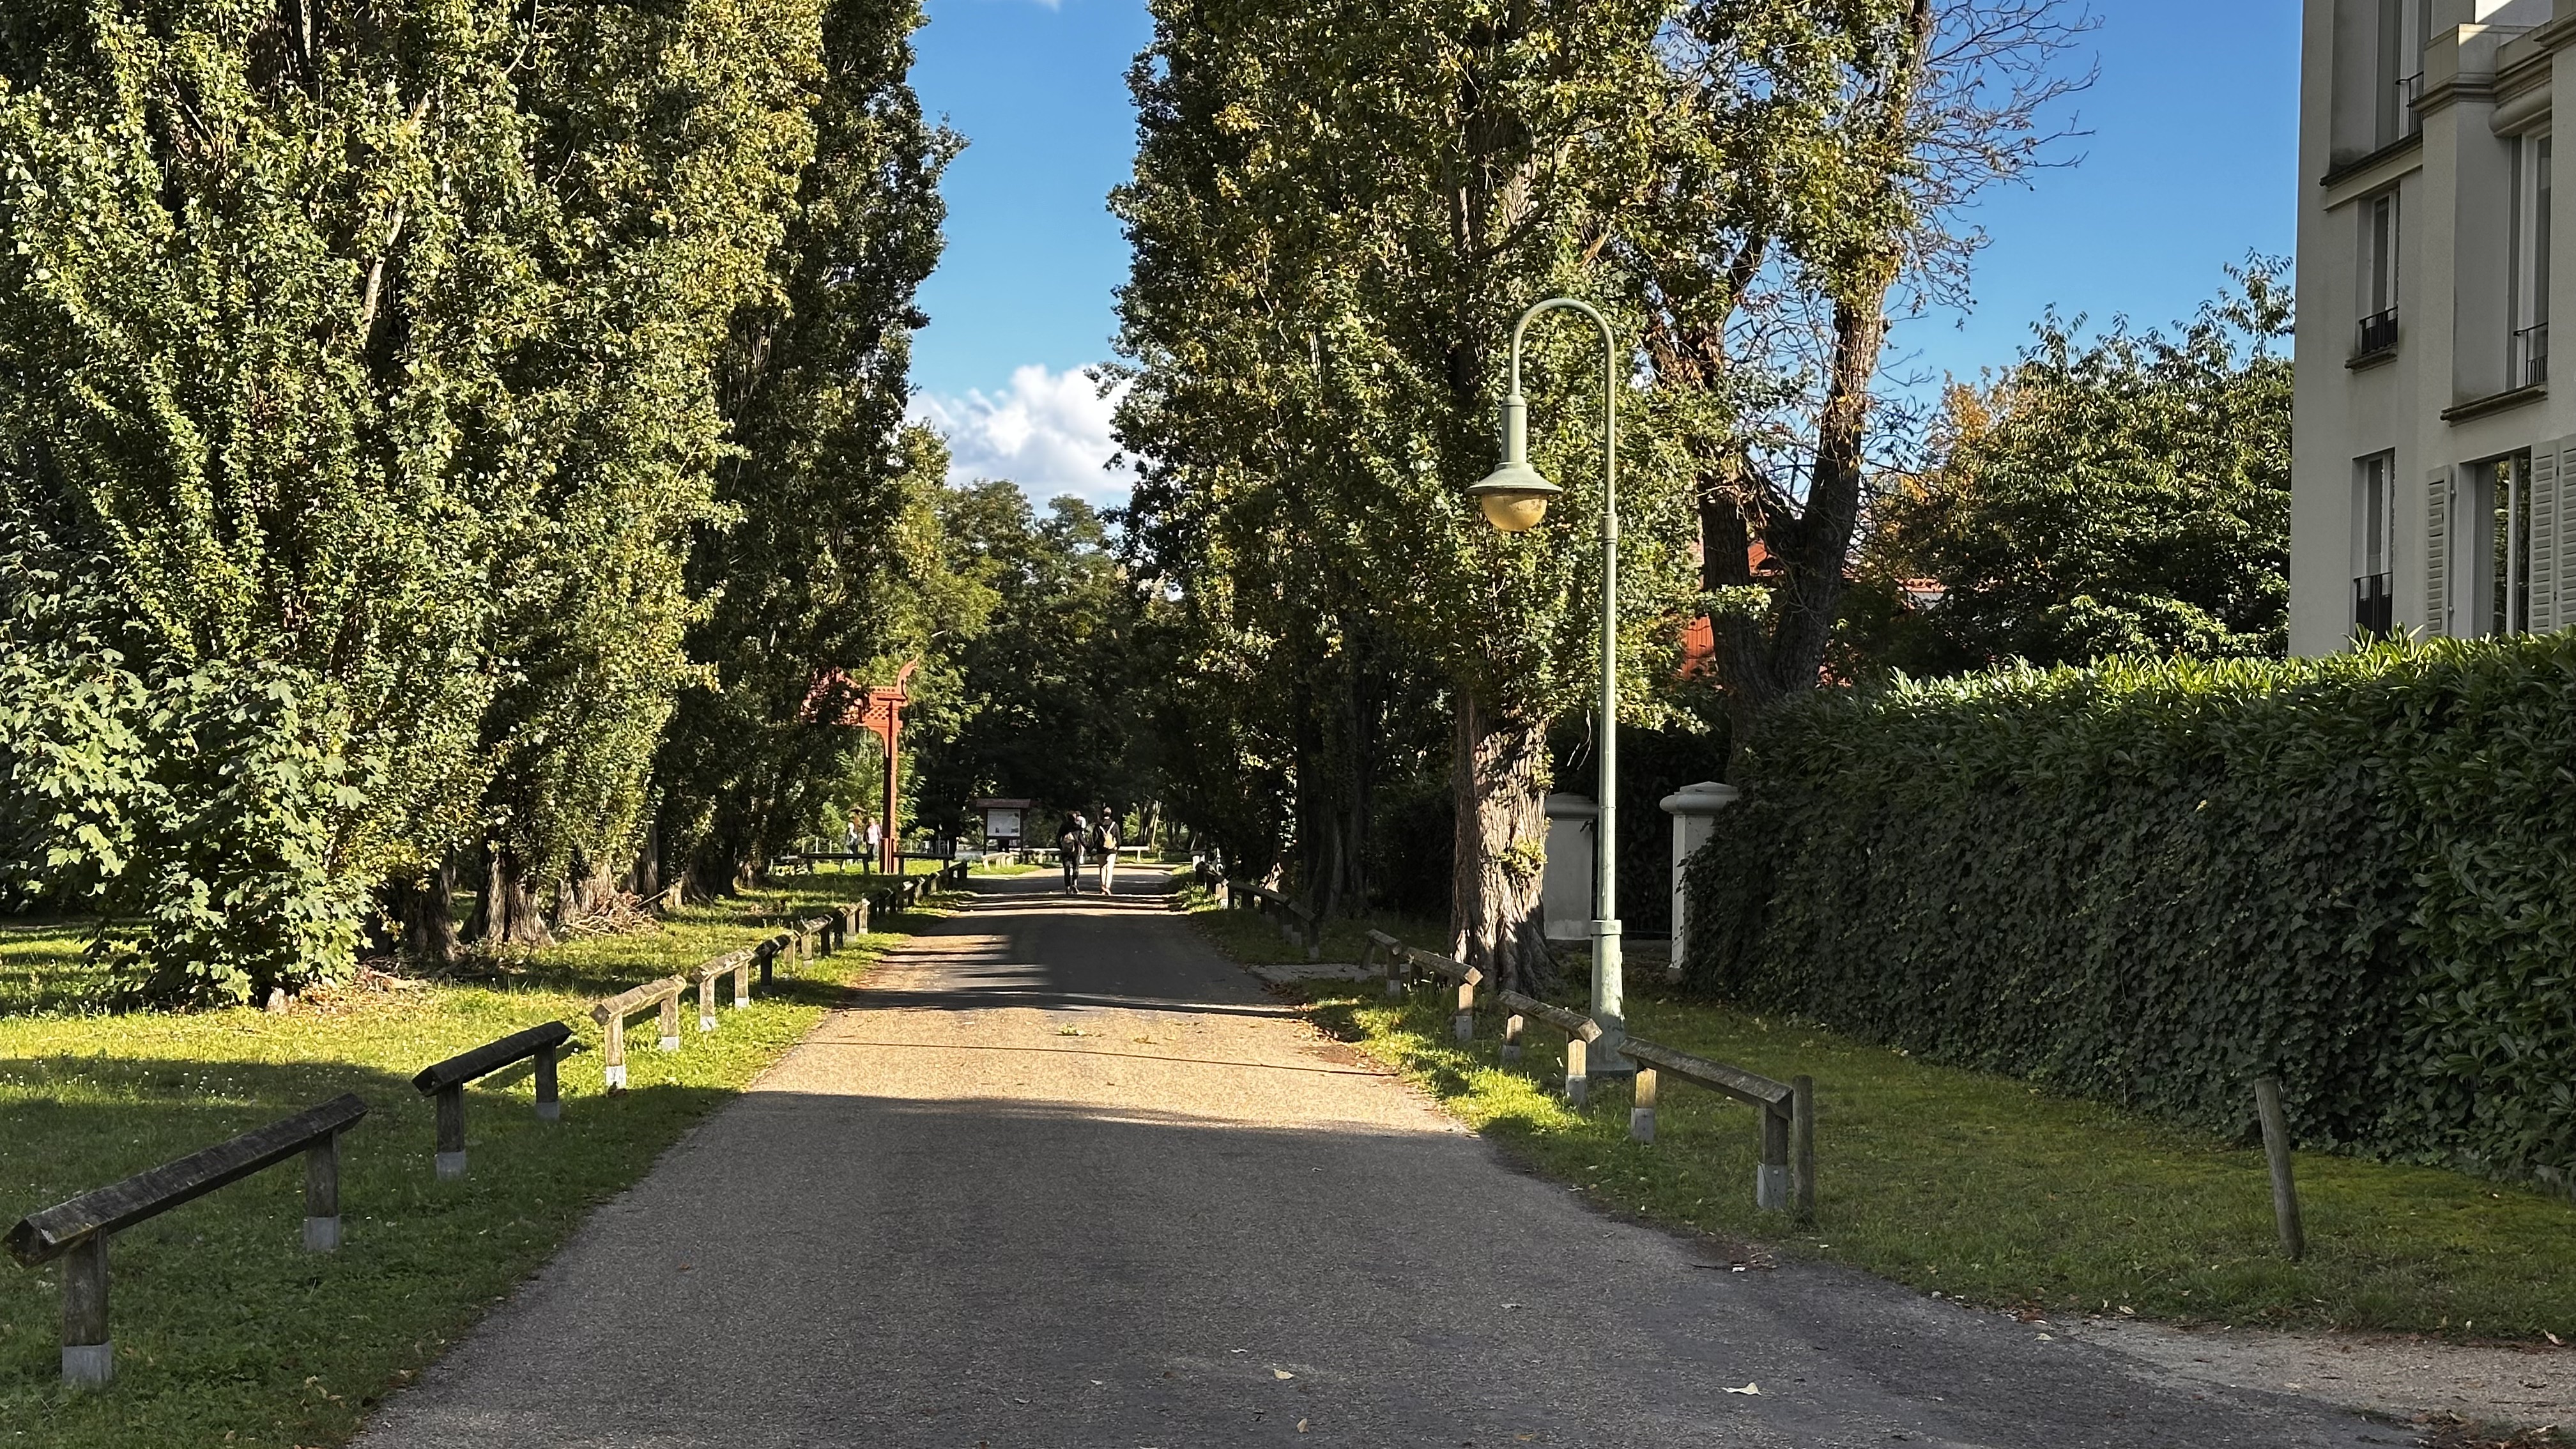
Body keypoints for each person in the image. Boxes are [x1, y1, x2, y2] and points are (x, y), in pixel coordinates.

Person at [1057, 815, 1085, 895]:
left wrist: (1061, 847)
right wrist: (1088, 847)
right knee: (1076, 866)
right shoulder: (1077, 827)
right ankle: (1074, 883)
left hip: (1066, 850)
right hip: (1075, 849)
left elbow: (1058, 838)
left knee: (1067, 868)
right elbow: (1082, 839)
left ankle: (1067, 887)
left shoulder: (1063, 826)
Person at [1095, 814, 1121, 896]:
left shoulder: (1098, 826)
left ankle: (1103, 887)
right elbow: (1118, 838)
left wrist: (1091, 848)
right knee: (1110, 869)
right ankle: (1107, 886)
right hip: (1112, 850)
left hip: (1101, 850)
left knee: (1102, 868)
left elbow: (1095, 839)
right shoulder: (1115, 825)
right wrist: (1118, 846)